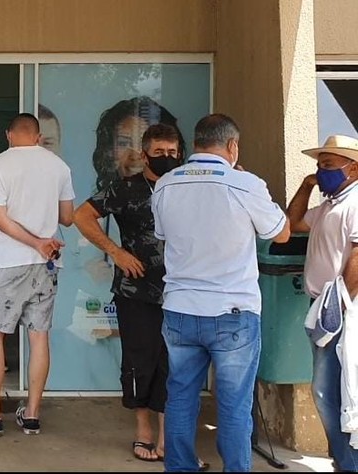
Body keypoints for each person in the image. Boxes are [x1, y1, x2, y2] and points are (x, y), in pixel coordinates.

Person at [152, 114, 290, 472]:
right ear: (232, 146)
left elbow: (163, 235)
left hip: (180, 309)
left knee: (180, 397)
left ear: (196, 142)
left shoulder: (165, 184)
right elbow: (281, 233)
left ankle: (179, 467)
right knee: (233, 405)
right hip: (233, 313)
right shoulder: (245, 184)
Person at [73, 124, 184, 463]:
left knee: (173, 363)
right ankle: (143, 431)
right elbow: (82, 216)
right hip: (135, 290)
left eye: (172, 152)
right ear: (145, 154)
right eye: (159, 152)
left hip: (183, 290)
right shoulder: (125, 188)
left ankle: (167, 436)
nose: (166, 157)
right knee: (140, 360)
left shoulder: (187, 186)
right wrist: (116, 252)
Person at [0, 113, 74, 438]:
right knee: (39, 337)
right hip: (46, 264)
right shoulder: (59, 167)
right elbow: (67, 218)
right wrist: (42, 235)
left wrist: (34, 241)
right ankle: (32, 415)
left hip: (6, 263)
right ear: (38, 137)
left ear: (9, 135)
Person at [288, 134, 358, 471]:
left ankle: (347, 463)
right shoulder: (330, 204)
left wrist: (339, 307)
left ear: (353, 168)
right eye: (319, 165)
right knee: (330, 391)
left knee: (328, 391)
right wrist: (306, 185)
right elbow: (293, 223)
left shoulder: (355, 203)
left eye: (328, 165)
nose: (321, 171)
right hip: (322, 308)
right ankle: (343, 459)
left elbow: (357, 258)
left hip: (340, 310)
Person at [93, 97, 185, 194]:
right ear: (109, 151)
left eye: (142, 143)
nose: (135, 156)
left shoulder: (181, 197)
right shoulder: (105, 199)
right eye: (123, 143)